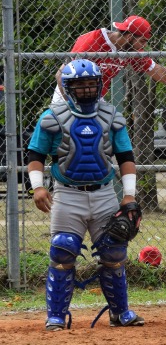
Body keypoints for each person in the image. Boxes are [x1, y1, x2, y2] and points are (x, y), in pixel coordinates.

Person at [27, 59, 144, 330]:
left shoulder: (111, 116)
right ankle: (56, 316)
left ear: (100, 85)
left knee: (114, 252)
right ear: (68, 88)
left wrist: (128, 195)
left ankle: (120, 312)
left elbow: (126, 157)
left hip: (104, 193)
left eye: (91, 83)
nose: (87, 89)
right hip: (67, 194)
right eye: (80, 85)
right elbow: (36, 154)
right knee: (63, 250)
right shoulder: (52, 117)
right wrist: (38, 187)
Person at [52, 15, 166, 103]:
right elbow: (61, 74)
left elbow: (158, 72)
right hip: (67, 96)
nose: (142, 47)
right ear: (128, 36)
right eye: (141, 41)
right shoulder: (93, 42)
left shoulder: (130, 51)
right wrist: (73, 105)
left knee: (107, 137)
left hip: (94, 99)